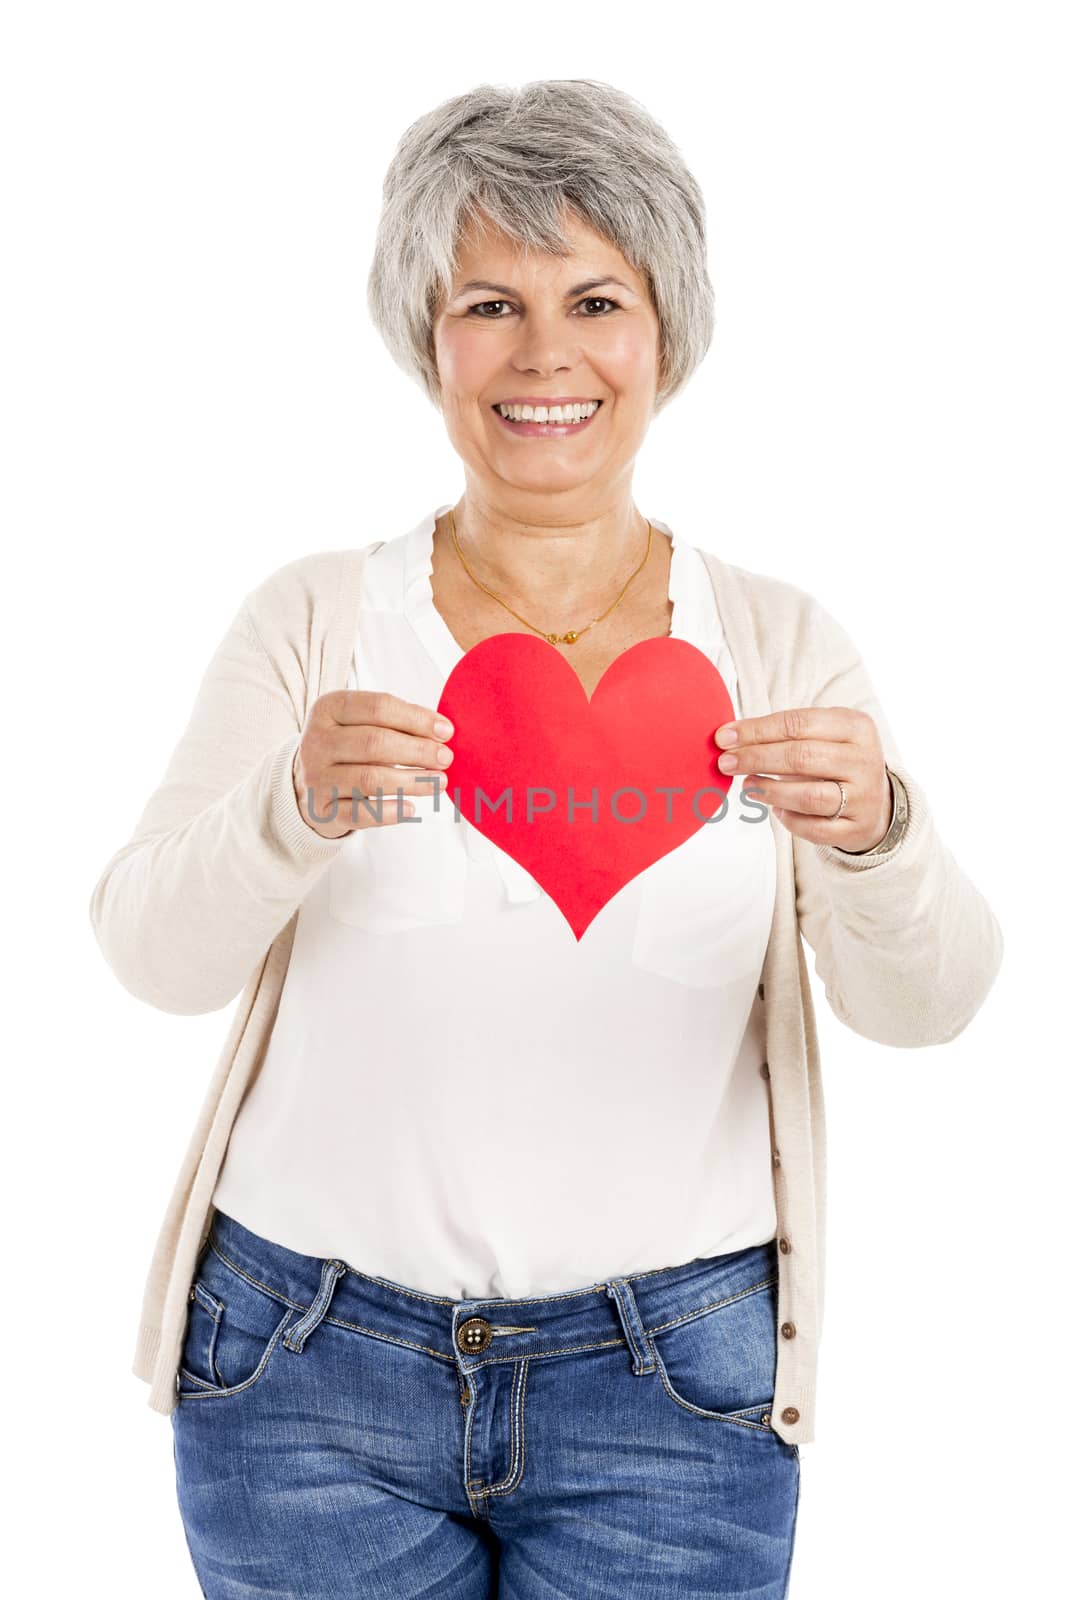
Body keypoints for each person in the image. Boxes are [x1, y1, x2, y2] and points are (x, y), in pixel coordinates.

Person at [89, 78, 1003, 1599]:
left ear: (667, 331)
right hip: (304, 1377)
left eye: (595, 298)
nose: (545, 356)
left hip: (676, 1387)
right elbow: (146, 951)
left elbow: (935, 1002)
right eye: (488, 305)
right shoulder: (316, 620)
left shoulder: (775, 643)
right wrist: (291, 806)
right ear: (425, 335)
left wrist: (881, 836)